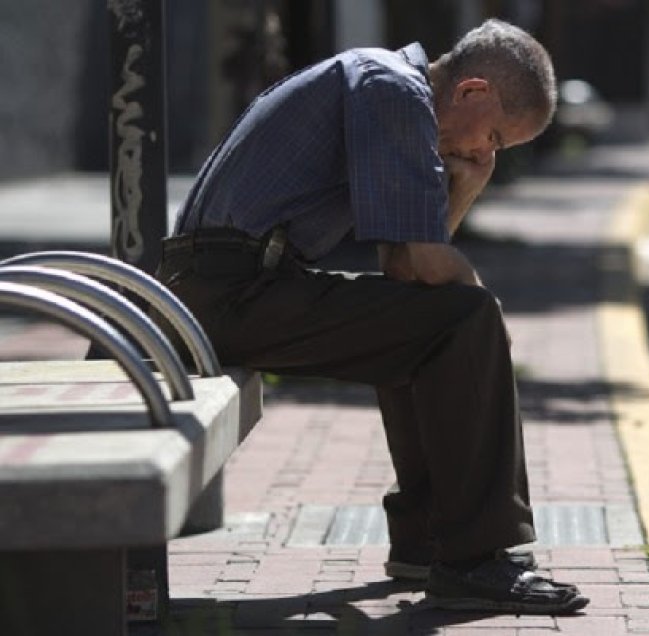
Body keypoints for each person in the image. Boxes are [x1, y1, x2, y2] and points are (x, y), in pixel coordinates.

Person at [155, 18, 589, 614]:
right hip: (228, 292)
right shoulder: (392, 90)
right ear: (472, 92)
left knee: (438, 321)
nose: (484, 153)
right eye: (494, 137)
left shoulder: (387, 85)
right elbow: (426, 265)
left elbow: (407, 270)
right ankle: (476, 557)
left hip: (229, 287)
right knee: (467, 317)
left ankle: (429, 543)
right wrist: (484, 310)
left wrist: (467, 186)